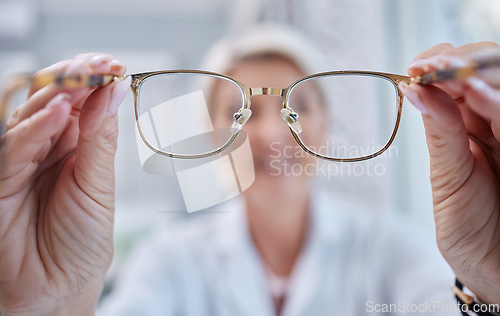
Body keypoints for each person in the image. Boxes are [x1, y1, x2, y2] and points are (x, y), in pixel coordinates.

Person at [0, 25, 499, 316]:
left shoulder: (391, 249)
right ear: (215, 133)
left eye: (298, 105)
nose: (270, 134)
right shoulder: (170, 261)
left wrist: (490, 283)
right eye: (241, 110)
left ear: (326, 124)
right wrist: (48, 307)